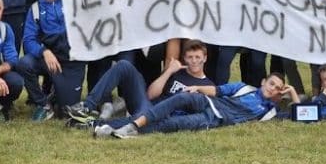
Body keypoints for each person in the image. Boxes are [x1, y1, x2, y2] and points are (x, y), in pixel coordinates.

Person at [95, 73, 299, 139]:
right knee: (181, 98)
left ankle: (110, 128)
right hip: (209, 102)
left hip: (213, 119)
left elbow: (301, 115)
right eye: (271, 83)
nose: (273, 88)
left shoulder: (269, 111)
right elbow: (217, 90)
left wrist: (292, 93)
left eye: (278, 88)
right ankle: (131, 125)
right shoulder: (244, 87)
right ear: (263, 82)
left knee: (171, 124)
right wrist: (198, 88)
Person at [66, 40, 215, 129]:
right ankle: (87, 106)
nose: (194, 61)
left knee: (142, 117)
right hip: (147, 103)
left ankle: (92, 124)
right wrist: (169, 72)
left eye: (198, 57)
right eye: (190, 57)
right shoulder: (177, 72)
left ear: (205, 58)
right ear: (185, 58)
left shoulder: (207, 85)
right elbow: (150, 94)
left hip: (160, 116)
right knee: (124, 65)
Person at [16, 0, 89, 120]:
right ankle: (44, 104)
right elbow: (28, 40)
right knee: (24, 63)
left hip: (73, 60)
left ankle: (57, 93)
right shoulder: (35, 9)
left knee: (66, 111)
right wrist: (44, 51)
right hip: (51, 60)